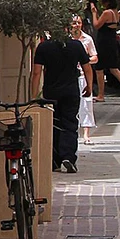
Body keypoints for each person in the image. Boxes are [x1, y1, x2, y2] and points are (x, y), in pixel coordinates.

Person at [30, 22, 93, 174]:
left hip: (51, 92)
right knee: (70, 123)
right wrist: (89, 86)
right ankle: (69, 157)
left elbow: (37, 73)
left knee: (54, 123)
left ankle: (55, 159)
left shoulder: (43, 47)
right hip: (71, 90)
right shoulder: (76, 46)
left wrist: (33, 96)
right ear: (67, 29)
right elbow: (87, 68)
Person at [90, 0, 120, 103]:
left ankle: (101, 95)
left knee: (99, 69)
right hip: (111, 42)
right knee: (114, 68)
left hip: (104, 43)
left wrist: (94, 13)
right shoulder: (115, 12)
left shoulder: (106, 13)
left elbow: (96, 25)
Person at [70, 14, 99, 144]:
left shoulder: (87, 39)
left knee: (86, 104)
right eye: (74, 23)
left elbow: (95, 57)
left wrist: (84, 61)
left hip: (82, 75)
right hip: (70, 76)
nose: (77, 25)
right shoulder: (66, 40)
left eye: (79, 23)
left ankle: (86, 134)